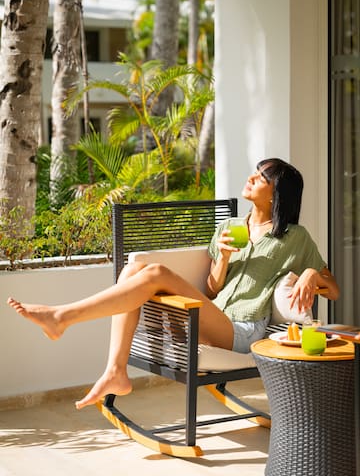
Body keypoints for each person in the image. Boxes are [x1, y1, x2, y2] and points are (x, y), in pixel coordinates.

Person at [7, 158, 339, 410]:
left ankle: (62, 317)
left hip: (243, 331)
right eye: (255, 171)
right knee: (132, 272)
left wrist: (311, 273)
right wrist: (221, 257)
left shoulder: (294, 238)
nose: (252, 177)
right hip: (214, 316)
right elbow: (210, 289)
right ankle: (115, 369)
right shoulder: (231, 225)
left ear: (276, 193)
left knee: (152, 272)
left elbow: (333, 288)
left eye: (262, 177)